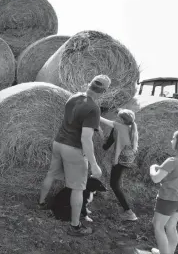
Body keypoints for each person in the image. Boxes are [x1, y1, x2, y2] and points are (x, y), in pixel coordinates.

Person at [38, 74, 111, 236]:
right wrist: (94, 164)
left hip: (58, 143)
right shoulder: (94, 108)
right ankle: (75, 226)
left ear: (89, 84)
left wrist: (97, 123)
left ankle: (41, 203)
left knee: (51, 174)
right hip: (74, 148)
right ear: (104, 91)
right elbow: (86, 138)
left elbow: (77, 117)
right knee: (78, 188)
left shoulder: (74, 97)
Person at [149, 129, 178, 254]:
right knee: (171, 226)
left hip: (167, 199)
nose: (171, 140)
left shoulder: (172, 161)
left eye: (173, 138)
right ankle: (168, 251)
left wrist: (152, 168)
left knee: (158, 226)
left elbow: (155, 179)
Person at [99, 109, 139, 221]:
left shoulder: (119, 126)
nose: (116, 119)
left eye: (118, 117)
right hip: (128, 159)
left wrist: (115, 160)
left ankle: (129, 212)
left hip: (120, 159)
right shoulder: (131, 127)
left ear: (121, 119)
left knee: (114, 185)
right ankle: (128, 211)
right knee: (115, 183)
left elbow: (100, 119)